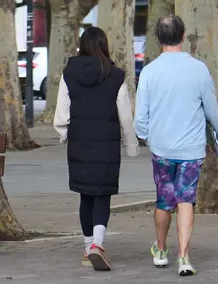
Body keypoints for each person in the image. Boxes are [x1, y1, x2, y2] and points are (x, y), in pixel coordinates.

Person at [135, 14, 218, 276]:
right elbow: (211, 109)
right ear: (183, 36)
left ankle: (161, 250)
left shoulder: (150, 71)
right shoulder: (198, 69)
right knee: (186, 200)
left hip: (161, 147)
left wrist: (145, 136)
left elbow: (141, 116)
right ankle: (184, 257)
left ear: (158, 38)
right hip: (191, 148)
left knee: (164, 200)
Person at [53, 26, 138, 272]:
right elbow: (125, 115)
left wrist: (64, 134)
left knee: (85, 195)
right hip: (107, 144)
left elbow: (61, 114)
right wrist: (131, 145)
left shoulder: (69, 74)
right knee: (103, 195)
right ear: (103, 45)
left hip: (80, 143)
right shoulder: (116, 75)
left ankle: (87, 247)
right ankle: (97, 246)